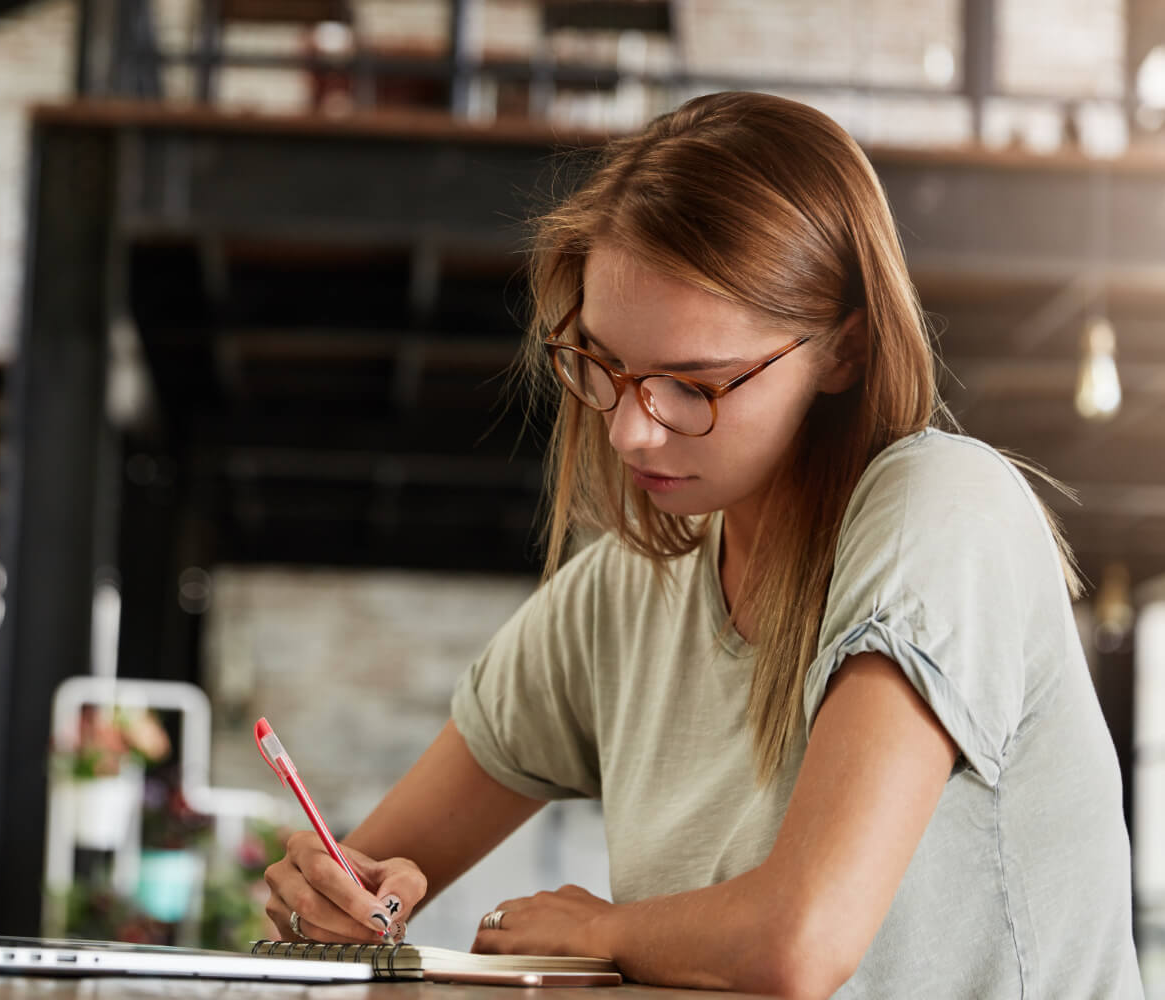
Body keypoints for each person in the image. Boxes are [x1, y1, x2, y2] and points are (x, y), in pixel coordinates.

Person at [261, 91, 1144, 999]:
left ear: (844, 350)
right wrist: (330, 897)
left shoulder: (945, 509)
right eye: (604, 363)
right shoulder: (621, 595)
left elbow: (800, 942)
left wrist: (600, 931)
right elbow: (367, 877)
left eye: (694, 383)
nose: (630, 431)